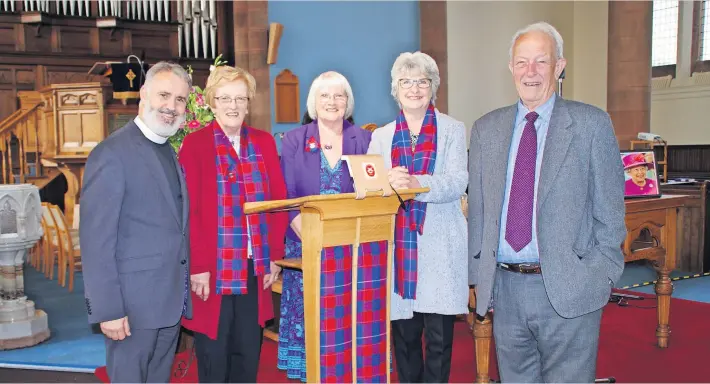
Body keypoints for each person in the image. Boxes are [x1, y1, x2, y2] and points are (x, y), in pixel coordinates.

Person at [467, 22, 626, 383]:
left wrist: (599, 275)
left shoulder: (590, 125)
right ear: (510, 68)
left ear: (559, 66)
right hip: (506, 292)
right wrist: (478, 281)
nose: (531, 71)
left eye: (542, 61)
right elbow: (479, 214)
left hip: (570, 288)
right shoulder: (485, 130)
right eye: (522, 62)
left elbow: (610, 214)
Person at [80, 61, 192, 383]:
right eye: (164, 95)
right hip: (131, 309)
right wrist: (108, 309)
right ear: (144, 94)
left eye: (180, 100)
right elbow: (96, 239)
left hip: (168, 303)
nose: (171, 107)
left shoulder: (168, 149)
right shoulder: (111, 153)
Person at [178, 65, 288, 383]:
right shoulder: (196, 145)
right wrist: (197, 265)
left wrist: (273, 258)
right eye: (225, 98)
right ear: (212, 102)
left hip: (255, 269)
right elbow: (190, 212)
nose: (233, 106)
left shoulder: (264, 142)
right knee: (214, 354)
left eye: (241, 98)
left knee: (247, 352)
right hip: (213, 271)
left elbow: (277, 204)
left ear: (249, 103)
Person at [367, 52, 468, 383]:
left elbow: (456, 182)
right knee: (406, 340)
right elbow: (370, 189)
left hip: (440, 248)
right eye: (406, 82)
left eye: (422, 82)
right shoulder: (380, 137)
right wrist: (385, 184)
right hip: (400, 253)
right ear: (396, 88)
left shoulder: (453, 129)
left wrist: (415, 185)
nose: (414, 89)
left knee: (439, 342)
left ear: (433, 87)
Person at [278, 71, 372, 382]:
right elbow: (287, 195)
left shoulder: (365, 139)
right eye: (324, 96)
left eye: (339, 95)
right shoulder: (294, 140)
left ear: (348, 102)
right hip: (305, 244)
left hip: (350, 247)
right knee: (311, 320)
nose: (332, 102)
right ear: (313, 103)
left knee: (346, 321)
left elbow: (372, 192)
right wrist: (312, 235)